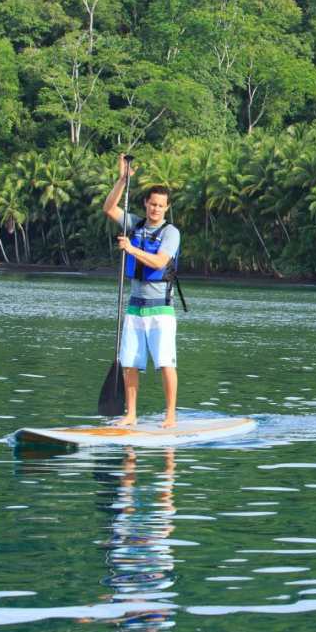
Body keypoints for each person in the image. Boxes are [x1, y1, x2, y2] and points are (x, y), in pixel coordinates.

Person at [102, 155, 181, 428]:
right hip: (135, 307)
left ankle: (170, 415)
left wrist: (132, 249)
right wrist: (123, 179)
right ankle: (131, 414)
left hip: (161, 309)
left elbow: (159, 262)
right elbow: (109, 208)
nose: (156, 209)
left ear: (166, 207)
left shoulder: (171, 233)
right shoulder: (135, 224)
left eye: (161, 205)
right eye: (152, 204)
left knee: (165, 364)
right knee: (130, 364)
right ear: (145, 204)